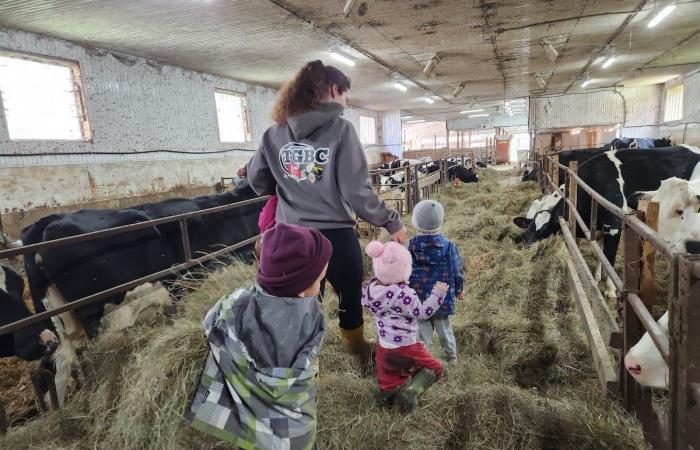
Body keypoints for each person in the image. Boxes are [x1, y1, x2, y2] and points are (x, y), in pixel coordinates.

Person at [246, 60, 406, 363]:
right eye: (344, 94)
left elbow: (256, 179)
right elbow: (356, 191)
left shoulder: (273, 134)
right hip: (335, 235)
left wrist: (287, 186)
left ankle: (306, 362)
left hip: (290, 235)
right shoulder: (342, 130)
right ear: (333, 89)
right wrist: (391, 221)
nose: (346, 102)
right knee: (348, 293)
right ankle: (357, 350)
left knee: (298, 301)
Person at [187, 222, 331, 450]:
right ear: (302, 288)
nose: (324, 275)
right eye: (320, 276)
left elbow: (209, 324)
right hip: (293, 433)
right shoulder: (311, 321)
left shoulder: (234, 304)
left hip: (248, 425)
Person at [361, 240, 447, 412]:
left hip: (385, 346)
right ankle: (411, 392)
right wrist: (438, 294)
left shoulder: (370, 289)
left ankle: (385, 399)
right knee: (435, 368)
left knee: (388, 378)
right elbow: (422, 312)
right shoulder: (403, 294)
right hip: (407, 346)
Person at [409, 200, 464, 363]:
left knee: (421, 334)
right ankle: (451, 358)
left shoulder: (411, 246)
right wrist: (459, 289)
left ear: (415, 222)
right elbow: (457, 270)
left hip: (419, 300)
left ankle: (421, 361)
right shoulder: (449, 246)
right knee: (445, 332)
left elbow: (405, 271)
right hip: (443, 299)